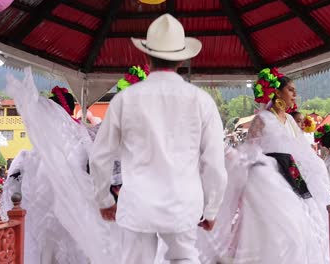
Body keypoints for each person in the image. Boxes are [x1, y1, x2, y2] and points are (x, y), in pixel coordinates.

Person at [90, 13, 227, 264]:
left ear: (146, 55)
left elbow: (100, 156)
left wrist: (104, 199)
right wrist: (212, 208)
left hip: (137, 204)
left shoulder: (125, 99)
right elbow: (215, 164)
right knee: (185, 258)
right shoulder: (201, 101)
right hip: (183, 203)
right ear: (183, 57)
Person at [4, 69, 119, 263]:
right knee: (71, 241)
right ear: (71, 110)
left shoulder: (34, 152)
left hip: (45, 208)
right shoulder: (79, 139)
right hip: (71, 203)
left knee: (47, 244)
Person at [223, 67, 330, 263]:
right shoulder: (262, 118)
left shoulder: (290, 119)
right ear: (277, 92)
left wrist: (318, 170)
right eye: (290, 89)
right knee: (278, 229)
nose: (294, 94)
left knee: (304, 228)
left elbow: (303, 150)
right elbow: (249, 149)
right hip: (271, 179)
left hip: (293, 175)